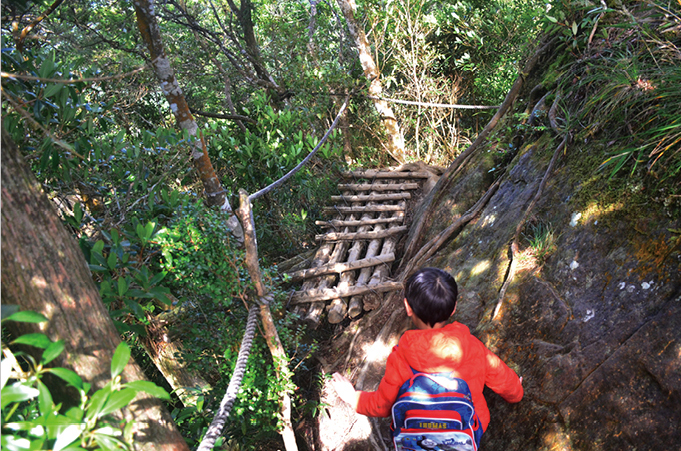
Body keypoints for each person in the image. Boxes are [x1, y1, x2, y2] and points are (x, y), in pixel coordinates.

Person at [332, 267, 523, 436]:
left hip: (416, 433)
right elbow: (501, 377)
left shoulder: (400, 357)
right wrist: (516, 392)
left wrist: (353, 398)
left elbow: (382, 405)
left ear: (407, 307)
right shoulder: (472, 347)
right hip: (468, 429)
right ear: (454, 308)